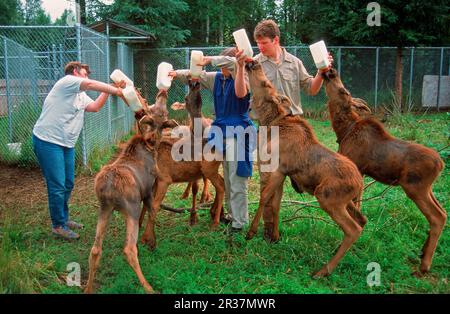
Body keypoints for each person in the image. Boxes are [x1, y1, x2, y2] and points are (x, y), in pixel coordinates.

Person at [235, 19, 334, 241]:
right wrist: (240, 65)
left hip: (294, 131)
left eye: (264, 43)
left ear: (276, 40)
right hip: (268, 130)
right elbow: (241, 94)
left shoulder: (294, 62)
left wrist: (321, 70)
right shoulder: (254, 64)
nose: (259, 47)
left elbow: (311, 88)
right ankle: (270, 231)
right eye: (257, 43)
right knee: (268, 181)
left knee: (308, 175)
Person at [32, 61, 127, 240]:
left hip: (66, 144)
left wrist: (109, 89)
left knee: (68, 183)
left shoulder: (81, 96)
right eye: (84, 74)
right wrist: (116, 91)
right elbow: (91, 84)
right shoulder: (66, 81)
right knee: (57, 185)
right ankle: (58, 225)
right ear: (75, 72)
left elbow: (95, 107)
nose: (87, 78)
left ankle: (63, 218)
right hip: (48, 141)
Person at [169, 48, 256, 234]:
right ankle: (232, 216)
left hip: (239, 131)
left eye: (225, 64)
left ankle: (240, 223)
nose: (223, 68)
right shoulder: (217, 78)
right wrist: (176, 74)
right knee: (226, 175)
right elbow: (195, 74)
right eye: (222, 65)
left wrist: (211, 59)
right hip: (220, 131)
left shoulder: (244, 76)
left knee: (237, 177)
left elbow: (234, 73)